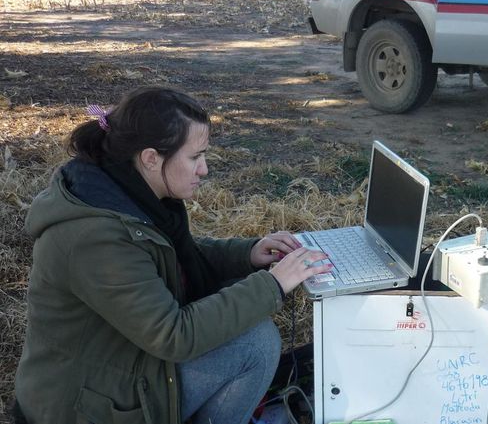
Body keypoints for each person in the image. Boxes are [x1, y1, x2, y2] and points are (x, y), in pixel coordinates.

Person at [13, 86, 331, 424]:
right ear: (151, 158)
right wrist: (273, 285)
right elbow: (173, 336)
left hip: (123, 367)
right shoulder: (95, 238)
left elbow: (173, 260)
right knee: (255, 342)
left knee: (239, 295)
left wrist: (249, 254)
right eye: (195, 157)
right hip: (87, 406)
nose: (204, 169)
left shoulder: (129, 192)